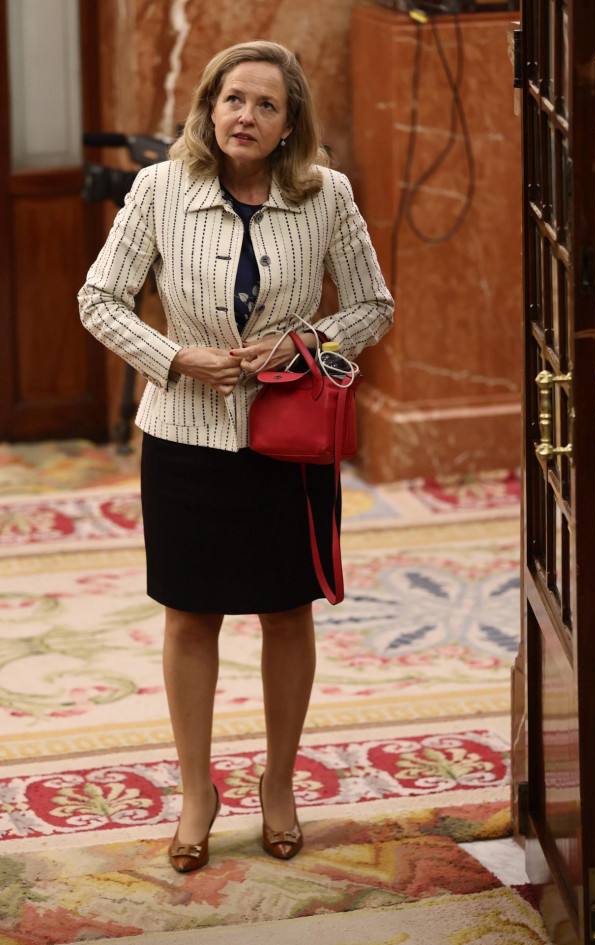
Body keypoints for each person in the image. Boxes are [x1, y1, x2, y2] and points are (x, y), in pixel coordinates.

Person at [78, 40, 393, 873]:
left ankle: (278, 782)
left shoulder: (327, 196)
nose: (244, 116)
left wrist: (303, 342)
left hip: (287, 439)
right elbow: (98, 298)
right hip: (183, 436)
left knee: (286, 610)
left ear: (291, 125)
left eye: (265, 105)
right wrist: (173, 356)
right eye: (232, 100)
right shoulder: (158, 189)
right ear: (208, 108)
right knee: (191, 613)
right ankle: (196, 791)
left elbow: (372, 305)